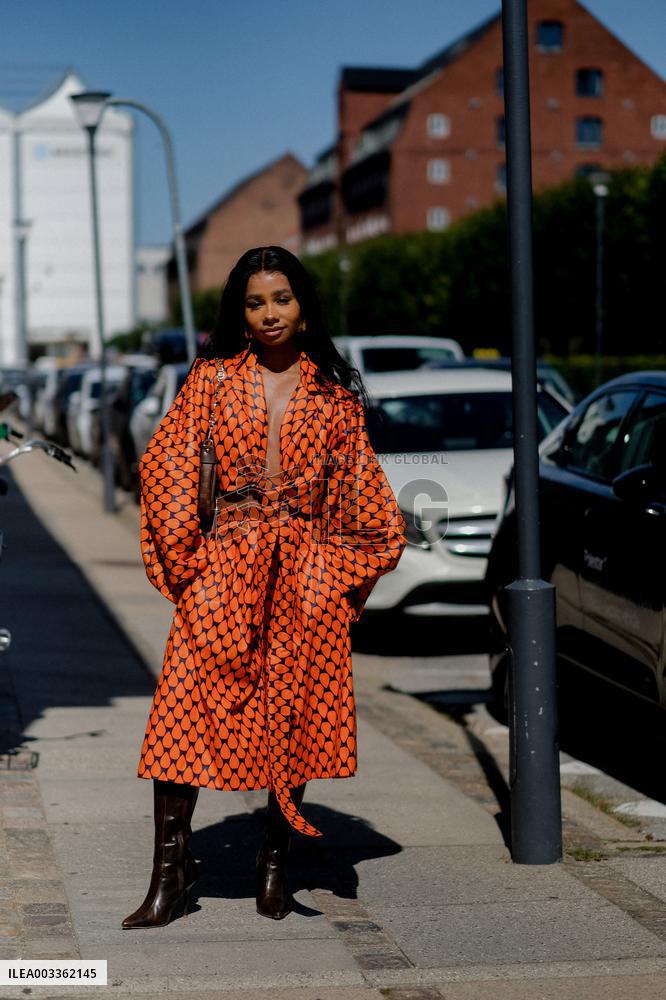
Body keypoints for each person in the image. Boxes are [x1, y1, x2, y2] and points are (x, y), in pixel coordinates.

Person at [122, 246, 406, 928]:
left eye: (281, 298)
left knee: (292, 712)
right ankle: (171, 869)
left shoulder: (334, 396)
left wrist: (336, 575)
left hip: (305, 572)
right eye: (255, 302)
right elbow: (165, 462)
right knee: (183, 709)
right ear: (240, 315)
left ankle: (274, 865)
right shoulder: (212, 379)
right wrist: (187, 559)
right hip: (225, 564)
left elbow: (365, 495)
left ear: (302, 306)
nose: (270, 312)